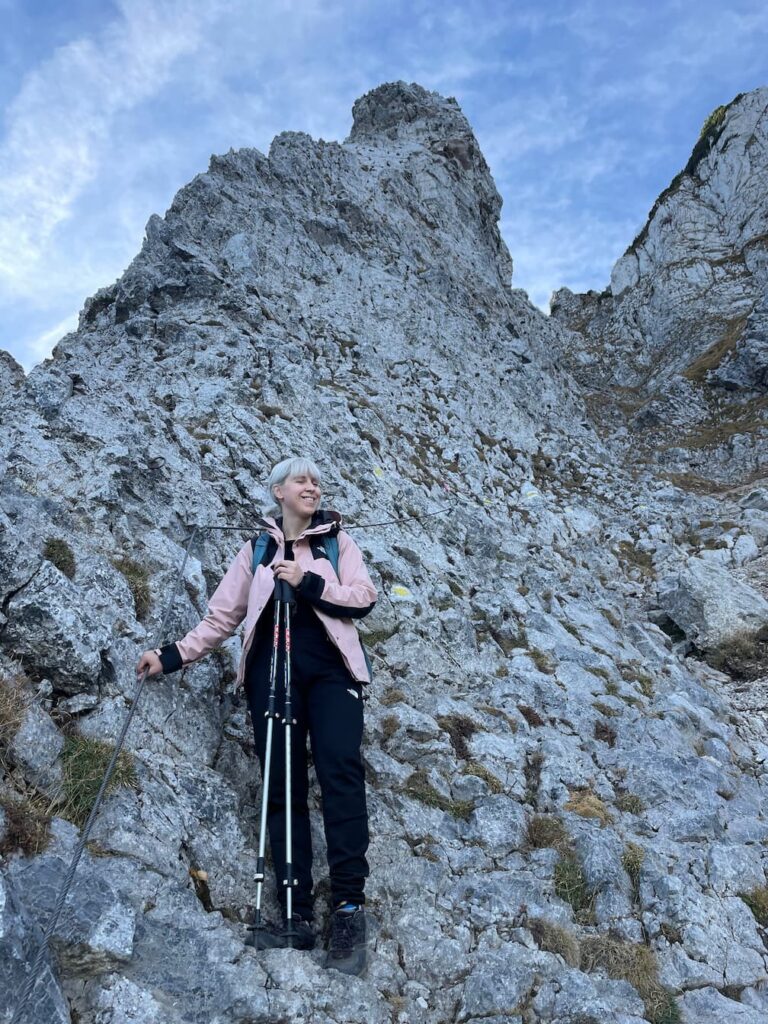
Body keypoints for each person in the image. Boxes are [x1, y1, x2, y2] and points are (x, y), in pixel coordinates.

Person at [137, 456, 377, 975]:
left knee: (339, 769)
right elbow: (222, 617)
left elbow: (363, 599)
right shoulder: (257, 549)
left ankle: (349, 910)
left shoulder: (338, 545)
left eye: (316, 480)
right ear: (278, 492)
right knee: (281, 784)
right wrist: (172, 655)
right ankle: (294, 914)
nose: (312, 486)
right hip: (271, 673)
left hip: (334, 674)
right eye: (301, 480)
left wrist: (308, 580)